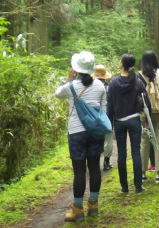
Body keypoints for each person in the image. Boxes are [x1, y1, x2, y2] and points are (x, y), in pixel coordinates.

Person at [54, 51, 107, 222]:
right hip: (95, 132)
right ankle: (93, 206)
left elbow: (57, 94)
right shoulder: (100, 85)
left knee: (79, 171)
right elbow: (103, 110)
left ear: (76, 69)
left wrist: (68, 79)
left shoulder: (70, 87)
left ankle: (77, 210)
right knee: (94, 168)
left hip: (76, 132)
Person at [107, 53, 147, 194]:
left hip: (119, 122)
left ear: (122, 64)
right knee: (136, 152)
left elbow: (110, 106)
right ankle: (138, 187)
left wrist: (109, 124)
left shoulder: (113, 83)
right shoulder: (138, 82)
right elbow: (145, 102)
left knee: (122, 154)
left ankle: (124, 187)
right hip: (134, 120)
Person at [138, 50, 159, 183]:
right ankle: (158, 173)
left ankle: (143, 173)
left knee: (145, 142)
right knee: (158, 141)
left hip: (144, 114)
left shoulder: (138, 76)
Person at [94, 64, 114, 171]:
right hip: (108, 117)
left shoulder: (91, 88)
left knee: (96, 140)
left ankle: (95, 162)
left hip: (94, 118)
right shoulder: (109, 87)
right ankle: (106, 162)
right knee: (108, 140)